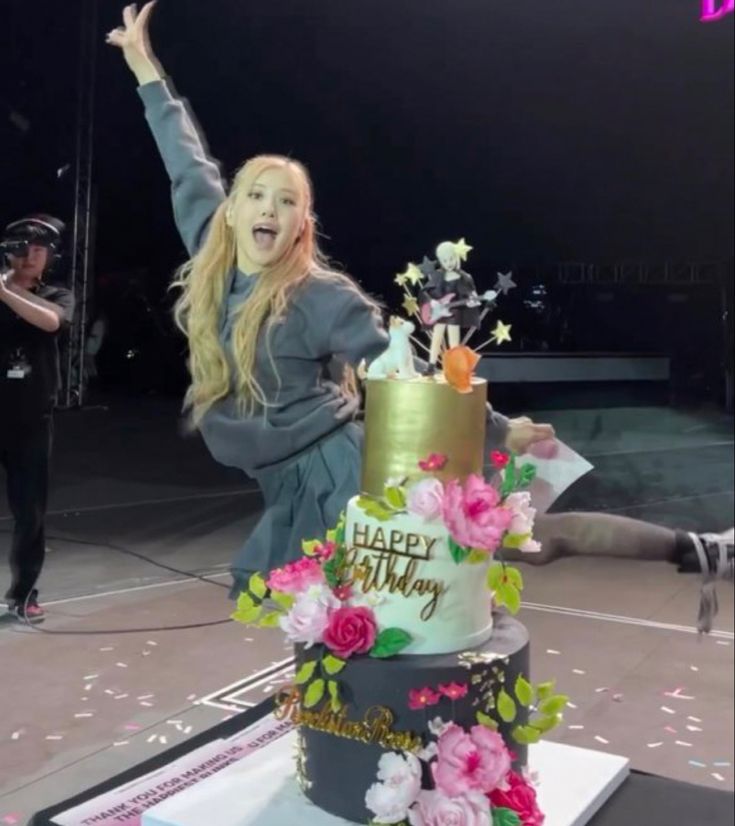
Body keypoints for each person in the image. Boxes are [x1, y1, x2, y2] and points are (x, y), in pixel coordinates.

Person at [107, 5, 731, 630]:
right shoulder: (214, 262)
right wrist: (142, 65)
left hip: (346, 471)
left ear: (302, 224)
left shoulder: (318, 295)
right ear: (234, 210)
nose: (270, 207)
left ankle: (697, 548)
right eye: (257, 195)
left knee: (531, 540)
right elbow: (185, 162)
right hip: (289, 484)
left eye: (288, 200)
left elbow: (401, 373)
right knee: (338, 611)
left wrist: (495, 427)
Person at [0, 214, 75, 622]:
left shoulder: (57, 294)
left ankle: (24, 593)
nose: (29, 257)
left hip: (31, 418)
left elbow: (50, 322)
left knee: (31, 512)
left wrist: (7, 293)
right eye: (22, 249)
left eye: (39, 250)